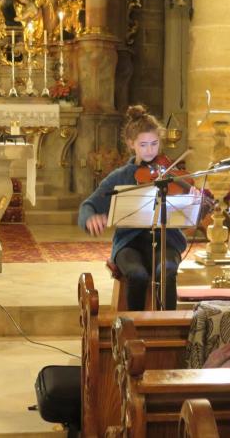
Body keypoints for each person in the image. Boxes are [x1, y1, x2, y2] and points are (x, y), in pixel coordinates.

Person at [78, 105, 191, 311]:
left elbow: (191, 203)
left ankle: (169, 324)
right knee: (137, 275)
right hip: (129, 244)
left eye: (155, 144)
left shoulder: (170, 172)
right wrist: (89, 218)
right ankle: (133, 330)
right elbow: (89, 205)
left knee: (167, 270)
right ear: (131, 144)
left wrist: (197, 201)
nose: (150, 150)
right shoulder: (121, 176)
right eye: (144, 145)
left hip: (167, 240)